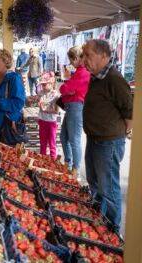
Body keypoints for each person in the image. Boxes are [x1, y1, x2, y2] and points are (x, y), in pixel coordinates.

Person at [82, 39, 133, 229]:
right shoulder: (96, 78)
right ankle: (98, 221)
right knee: (94, 182)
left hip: (108, 142)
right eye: (84, 55)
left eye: (89, 55)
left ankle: (112, 231)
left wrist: (119, 132)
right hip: (94, 139)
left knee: (108, 188)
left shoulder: (114, 79)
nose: (84, 59)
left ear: (104, 55)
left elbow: (130, 111)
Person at [59, 46, 90, 175]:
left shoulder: (83, 72)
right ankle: (68, 163)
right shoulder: (77, 70)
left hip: (76, 107)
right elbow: (67, 79)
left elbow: (66, 88)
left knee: (74, 139)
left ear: (76, 58)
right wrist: (66, 84)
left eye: (71, 60)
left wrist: (64, 87)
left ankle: (75, 169)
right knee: (64, 136)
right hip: (71, 107)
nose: (70, 63)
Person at [0, 49, 26, 145]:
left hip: (8, 126)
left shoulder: (13, 78)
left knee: (7, 155)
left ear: (5, 62)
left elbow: (19, 103)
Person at [37, 72, 59, 159]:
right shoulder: (41, 93)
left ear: (51, 83)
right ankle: (42, 161)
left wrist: (45, 110)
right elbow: (37, 100)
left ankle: (53, 161)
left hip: (51, 123)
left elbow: (56, 111)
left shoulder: (56, 95)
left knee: (52, 144)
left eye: (44, 84)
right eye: (42, 85)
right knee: (42, 143)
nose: (42, 86)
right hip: (42, 121)